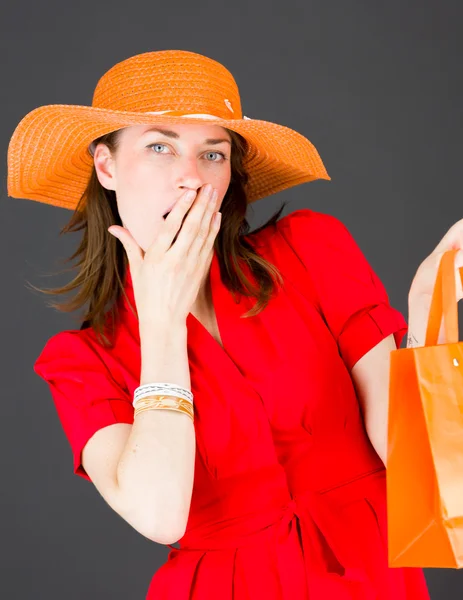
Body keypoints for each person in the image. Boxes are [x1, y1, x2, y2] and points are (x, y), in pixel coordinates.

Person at [7, 49, 432, 599]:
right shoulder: (82, 359)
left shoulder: (310, 249)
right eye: (160, 147)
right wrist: (162, 324)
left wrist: (426, 311)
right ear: (106, 166)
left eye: (213, 153)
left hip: (375, 579)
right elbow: (160, 515)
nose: (192, 179)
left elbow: (413, 456)